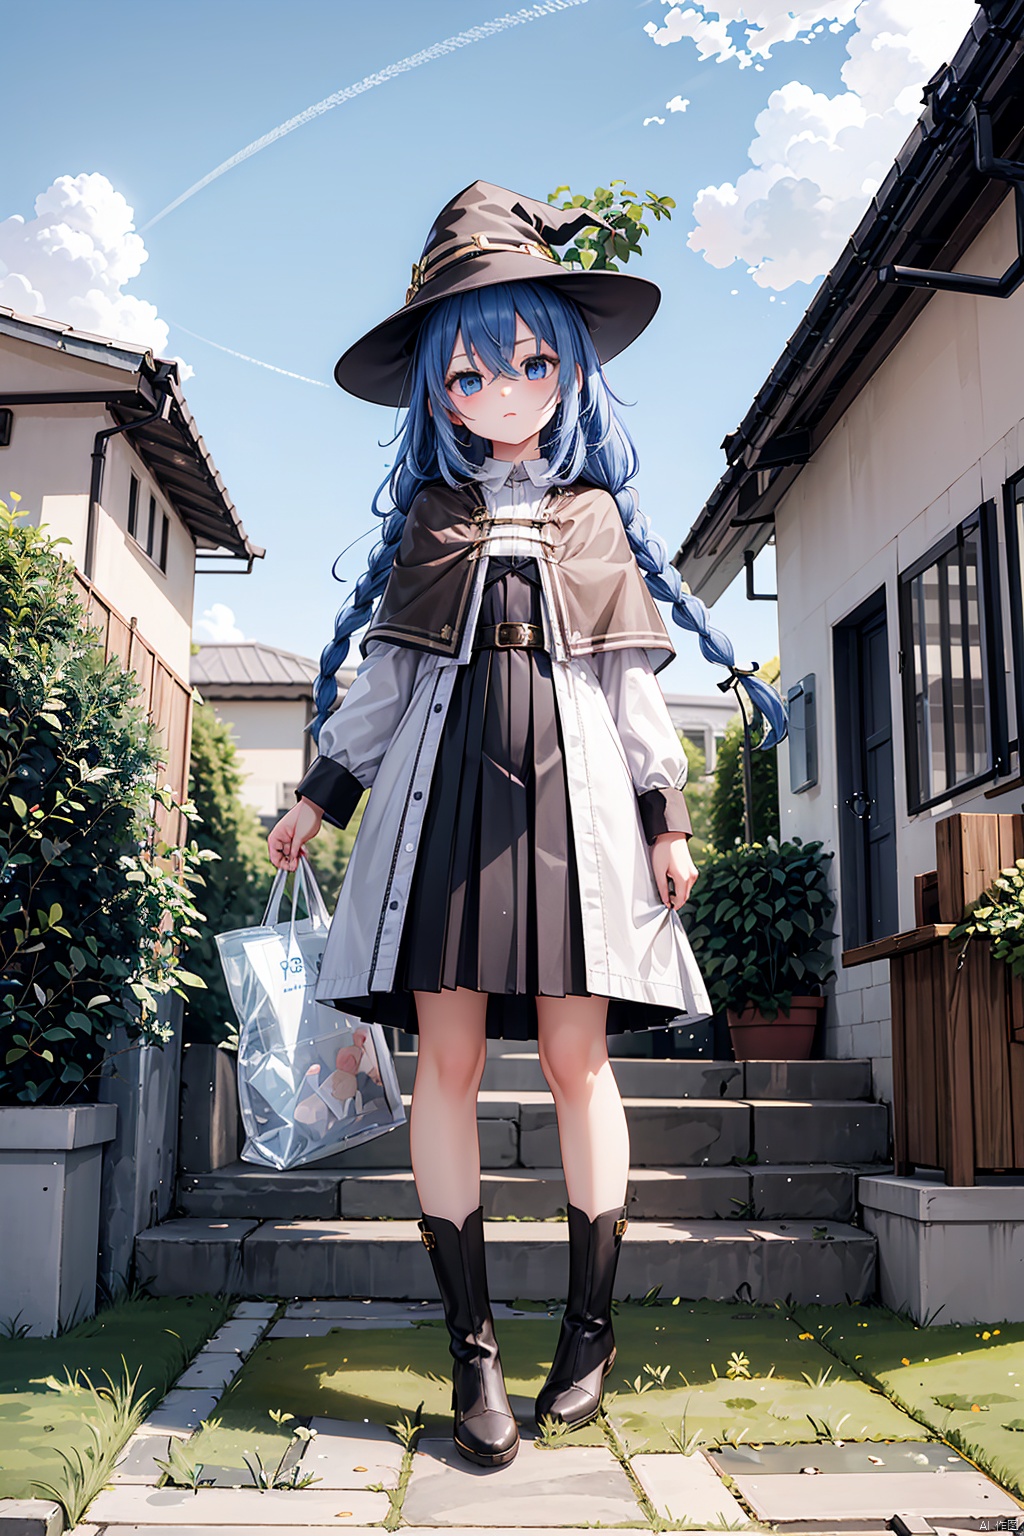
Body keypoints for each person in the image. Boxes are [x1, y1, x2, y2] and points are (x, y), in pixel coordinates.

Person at [267, 182, 785, 1470]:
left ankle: (591, 1333)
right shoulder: (433, 526)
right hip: (440, 817)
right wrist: (317, 798)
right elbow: (383, 694)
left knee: (576, 1064)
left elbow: (629, 690)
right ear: (438, 392)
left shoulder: (595, 521)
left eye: (530, 363)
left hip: (582, 827)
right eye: (471, 374)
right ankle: (474, 1352)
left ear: (569, 370)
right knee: (443, 1066)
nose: (503, 392)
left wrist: (668, 818)